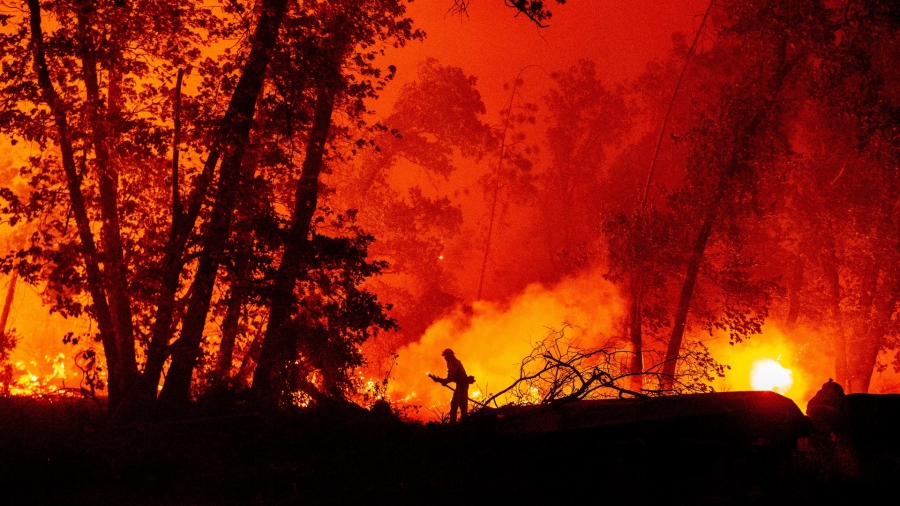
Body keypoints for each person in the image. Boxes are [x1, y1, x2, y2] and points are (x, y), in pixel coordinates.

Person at [429, 349, 473, 423]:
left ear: (450, 355)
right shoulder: (451, 363)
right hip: (459, 385)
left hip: (462, 385)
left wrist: (444, 381)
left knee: (461, 404)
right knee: (455, 404)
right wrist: (442, 380)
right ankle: (455, 423)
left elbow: (452, 376)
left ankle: (462, 423)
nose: (444, 357)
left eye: (445, 355)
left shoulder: (455, 363)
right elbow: (450, 376)